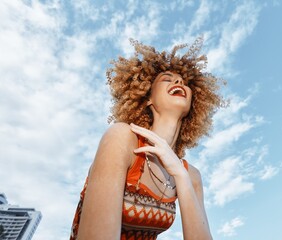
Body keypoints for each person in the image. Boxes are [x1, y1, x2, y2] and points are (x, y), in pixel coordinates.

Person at [70, 37, 223, 240]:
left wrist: (180, 175)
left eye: (184, 83)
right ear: (148, 98)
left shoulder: (191, 176)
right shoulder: (121, 139)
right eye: (167, 79)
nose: (178, 82)